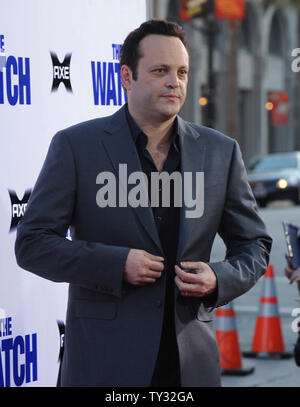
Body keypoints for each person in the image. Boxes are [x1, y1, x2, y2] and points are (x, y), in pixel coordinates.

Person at [15, 19, 272, 387]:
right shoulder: (77, 147)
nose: (175, 82)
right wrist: (116, 264)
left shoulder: (220, 152)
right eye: (160, 70)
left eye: (182, 71)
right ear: (126, 77)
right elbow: (32, 243)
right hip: (104, 362)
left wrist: (219, 277)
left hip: (189, 366)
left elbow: (255, 245)